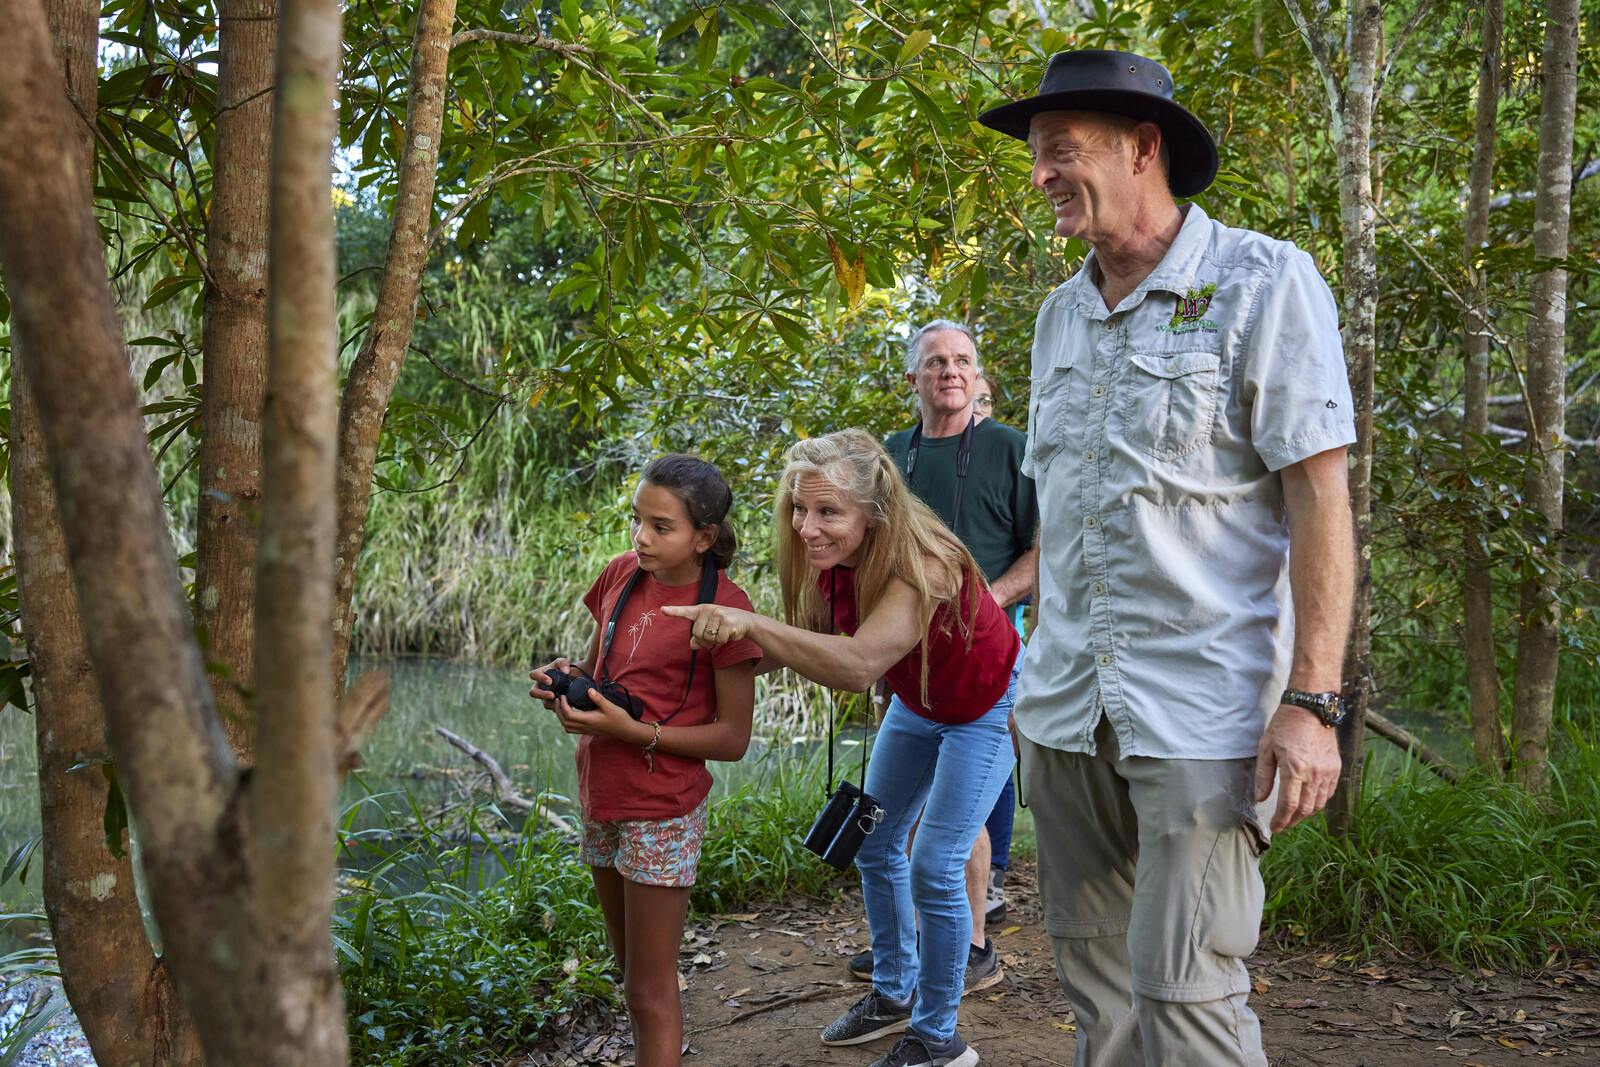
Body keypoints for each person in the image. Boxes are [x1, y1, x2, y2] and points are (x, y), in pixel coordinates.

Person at [976, 49, 1357, 1065]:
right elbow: (1072, 514)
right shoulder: (1059, 315)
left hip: (1201, 710)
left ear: (1142, 148)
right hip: (1065, 711)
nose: (1040, 175)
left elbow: (1319, 498)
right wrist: (1029, 671)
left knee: (1187, 995)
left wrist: (1312, 702)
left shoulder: (1262, 281)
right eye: (1035, 156)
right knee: (1099, 997)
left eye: (1059, 150)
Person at [665, 430, 1020, 1067]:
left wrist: (751, 625)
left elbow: (857, 665)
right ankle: (894, 991)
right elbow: (806, 640)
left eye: (828, 511)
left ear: (874, 511)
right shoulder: (833, 559)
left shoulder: (924, 561)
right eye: (800, 509)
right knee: (874, 841)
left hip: (984, 706)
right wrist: (699, 661)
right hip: (919, 701)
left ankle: (938, 1038)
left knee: (935, 866)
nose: (807, 527)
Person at [530, 455, 762, 1067]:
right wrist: (566, 682)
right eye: (637, 520)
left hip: (663, 808)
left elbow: (733, 738)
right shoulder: (620, 574)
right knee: (629, 969)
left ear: (704, 538)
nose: (641, 537)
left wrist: (635, 732)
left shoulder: (726, 611)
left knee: (648, 988)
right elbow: (597, 669)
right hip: (603, 790)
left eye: (661, 527)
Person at [843, 321, 1036, 990]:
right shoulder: (892, 457)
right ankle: (909, 943)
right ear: (913, 379)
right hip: (906, 656)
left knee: (958, 814)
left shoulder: (1010, 449)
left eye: (961, 361)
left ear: (977, 376)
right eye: (935, 362)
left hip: (985, 656)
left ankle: (973, 944)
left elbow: (1047, 547)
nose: (950, 371)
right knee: (892, 819)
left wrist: (987, 599)